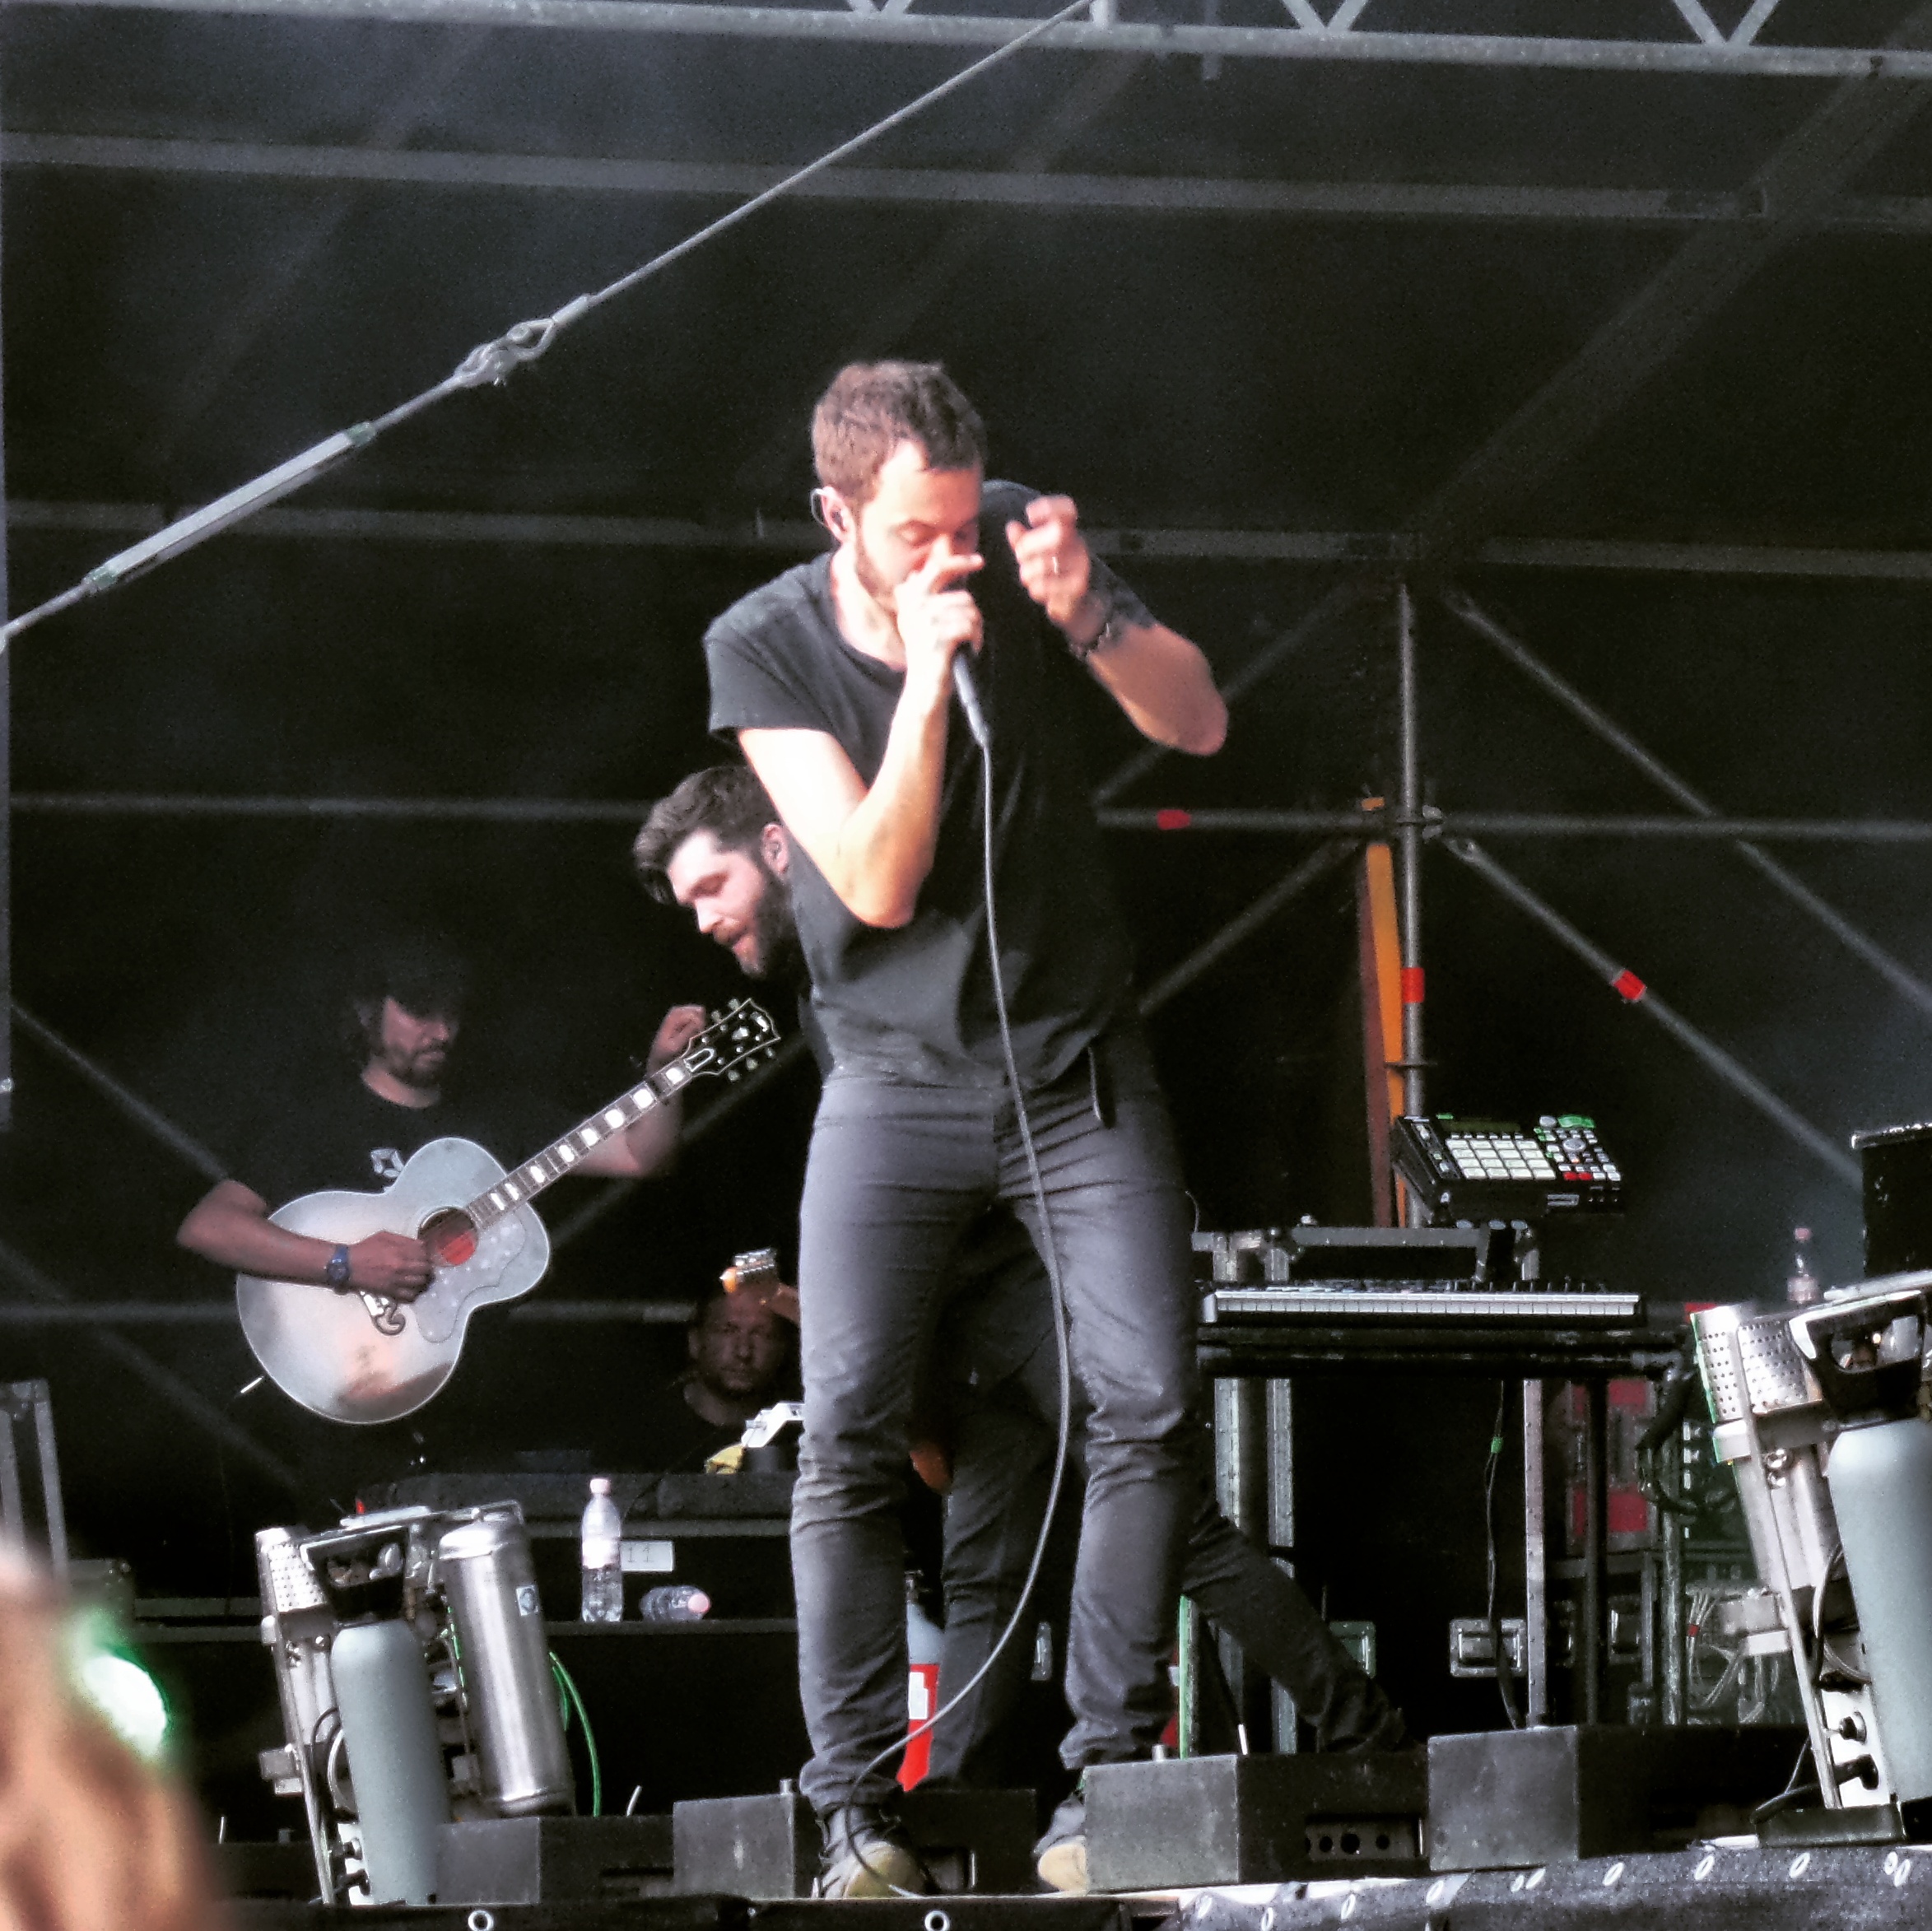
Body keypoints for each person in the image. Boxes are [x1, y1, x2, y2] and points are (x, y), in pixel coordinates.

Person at [699, 359, 1228, 1896]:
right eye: (913, 536)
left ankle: (1107, 1780)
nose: (950, 556)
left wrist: (1089, 615)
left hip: (1074, 1066)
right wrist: (929, 678)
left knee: (1149, 1404)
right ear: (836, 517)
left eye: (959, 528)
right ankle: (855, 1813)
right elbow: (873, 880)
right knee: (848, 1437)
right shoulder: (763, 645)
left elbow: (1196, 721)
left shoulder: (1009, 536)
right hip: (893, 1086)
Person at [636, 766, 1405, 1785]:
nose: (702, 921)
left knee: (1174, 1530)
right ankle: (948, 1799)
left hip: (1031, 1288)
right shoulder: (824, 982)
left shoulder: (902, 917)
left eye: (710, 887)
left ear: (777, 848)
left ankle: (1363, 1731)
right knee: (984, 1580)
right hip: (963, 1321)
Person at [177, 932, 702, 1303]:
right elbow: (208, 1227)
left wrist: (666, 1073)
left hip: (476, 1376)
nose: (443, 1032)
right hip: (361, 1364)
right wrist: (344, 1263)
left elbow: (641, 1156)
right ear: (367, 1013)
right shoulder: (320, 1123)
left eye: (450, 1012)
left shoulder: (500, 1114)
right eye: (420, 1011)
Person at [638, 1275, 798, 1473]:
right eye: (728, 1331)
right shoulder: (645, 1431)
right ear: (695, 1342)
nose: (744, 1352)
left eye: (760, 1334)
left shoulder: (799, 1435)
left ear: (782, 1348)